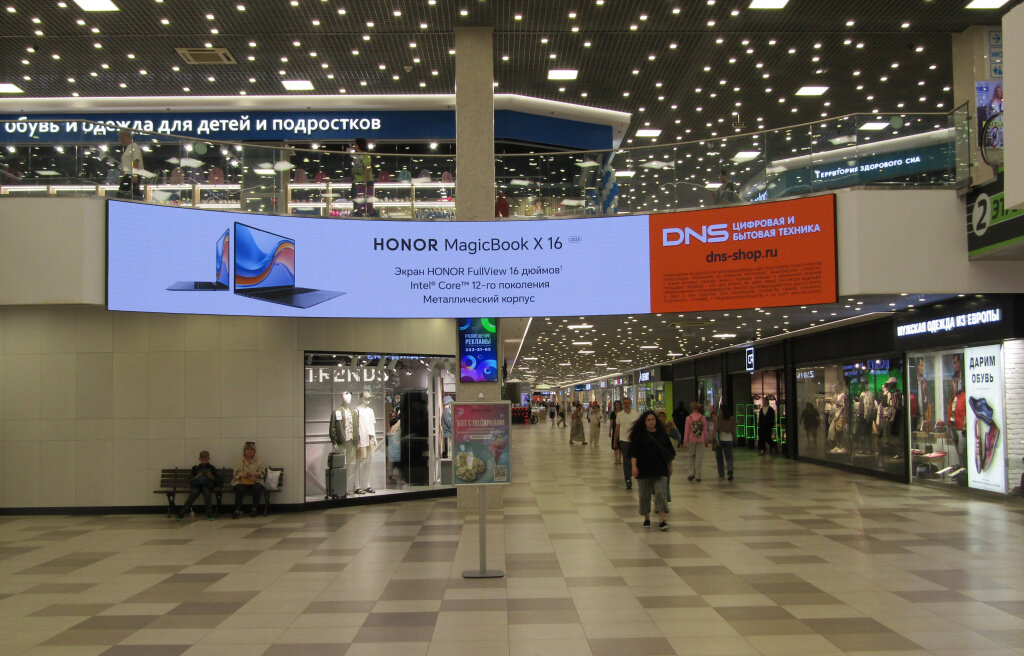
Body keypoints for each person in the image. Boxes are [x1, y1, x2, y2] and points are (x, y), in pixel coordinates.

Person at [629, 410, 675, 530]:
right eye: (648, 420)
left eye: (653, 419)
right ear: (644, 422)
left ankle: (662, 520)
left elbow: (668, 452)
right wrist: (634, 467)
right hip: (644, 469)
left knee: (661, 493)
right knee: (644, 495)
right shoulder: (639, 436)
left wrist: (670, 466)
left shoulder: (662, 434)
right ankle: (647, 518)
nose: (651, 422)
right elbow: (634, 453)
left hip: (660, 468)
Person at [176, 450, 219, 521]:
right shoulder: (195, 468)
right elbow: (191, 481)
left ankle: (209, 514)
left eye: (206, 460)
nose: (204, 461)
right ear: (200, 459)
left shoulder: (212, 468)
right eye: (203, 460)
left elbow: (218, 481)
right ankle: (181, 514)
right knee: (193, 494)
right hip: (197, 485)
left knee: (207, 493)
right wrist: (197, 476)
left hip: (207, 486)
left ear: (209, 459)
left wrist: (211, 476)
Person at [231, 442, 266, 518]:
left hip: (255, 480)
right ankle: (237, 510)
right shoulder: (239, 460)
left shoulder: (259, 460)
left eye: (251, 449)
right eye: (247, 449)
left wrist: (255, 475)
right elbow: (235, 472)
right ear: (244, 450)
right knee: (239, 488)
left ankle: (254, 509)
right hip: (241, 480)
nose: (249, 451)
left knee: (257, 487)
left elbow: (262, 472)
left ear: (254, 451)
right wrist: (245, 475)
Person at [657, 410, 681, 501]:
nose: (662, 418)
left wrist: (674, 425)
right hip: (655, 456)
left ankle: (666, 499)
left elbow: (678, 437)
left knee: (666, 479)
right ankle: (659, 497)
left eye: (663, 416)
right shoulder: (653, 428)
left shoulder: (668, 428)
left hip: (665, 456)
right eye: (660, 416)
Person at [682, 402, 709, 482]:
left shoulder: (688, 418)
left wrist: (685, 441)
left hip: (692, 439)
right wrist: (706, 441)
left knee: (691, 456)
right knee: (699, 457)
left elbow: (686, 431)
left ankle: (691, 473)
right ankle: (698, 475)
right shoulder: (703, 418)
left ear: (692, 408)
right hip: (701, 439)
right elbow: (705, 430)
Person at [614, 397, 637, 489]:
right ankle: (628, 478)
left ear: (630, 404)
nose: (626, 405)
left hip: (634, 441)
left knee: (635, 459)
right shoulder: (619, 415)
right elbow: (617, 429)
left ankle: (635, 474)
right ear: (623, 405)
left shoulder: (636, 414)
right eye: (625, 403)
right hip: (624, 441)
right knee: (626, 460)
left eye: (628, 403)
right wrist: (615, 442)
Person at [116, 128, 144, 200]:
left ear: (127, 136)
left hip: (131, 175)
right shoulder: (127, 149)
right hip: (127, 175)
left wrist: (135, 175)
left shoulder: (134, 146)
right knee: (127, 194)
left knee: (125, 194)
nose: (121, 140)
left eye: (122, 138)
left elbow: (136, 160)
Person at [351, 137, 374, 217]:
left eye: (355, 144)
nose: (354, 146)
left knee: (366, 200)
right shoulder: (356, 156)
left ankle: (367, 214)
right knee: (358, 200)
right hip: (357, 181)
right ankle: (359, 213)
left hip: (365, 181)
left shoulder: (365, 156)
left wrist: (365, 181)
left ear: (358, 145)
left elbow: (367, 169)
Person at [715, 404, 736, 481]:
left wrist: (715, 440)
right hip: (729, 440)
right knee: (729, 457)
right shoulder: (732, 419)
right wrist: (735, 439)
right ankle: (730, 470)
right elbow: (733, 431)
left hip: (720, 440)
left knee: (719, 458)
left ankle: (721, 475)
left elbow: (717, 430)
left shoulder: (719, 418)